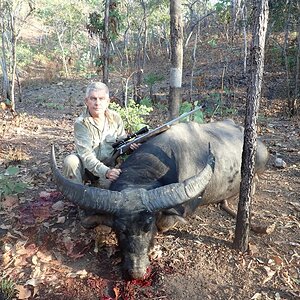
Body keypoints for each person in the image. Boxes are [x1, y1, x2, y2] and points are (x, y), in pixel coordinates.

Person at [63, 81, 136, 188]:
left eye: (101, 99)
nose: (97, 103)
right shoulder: (81, 123)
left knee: (110, 195)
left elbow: (122, 143)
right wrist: (105, 172)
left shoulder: (115, 118)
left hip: (110, 167)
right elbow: (86, 156)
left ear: (108, 101)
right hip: (88, 168)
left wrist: (131, 147)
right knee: (71, 161)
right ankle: (76, 194)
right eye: (93, 98)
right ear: (86, 101)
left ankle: (98, 185)